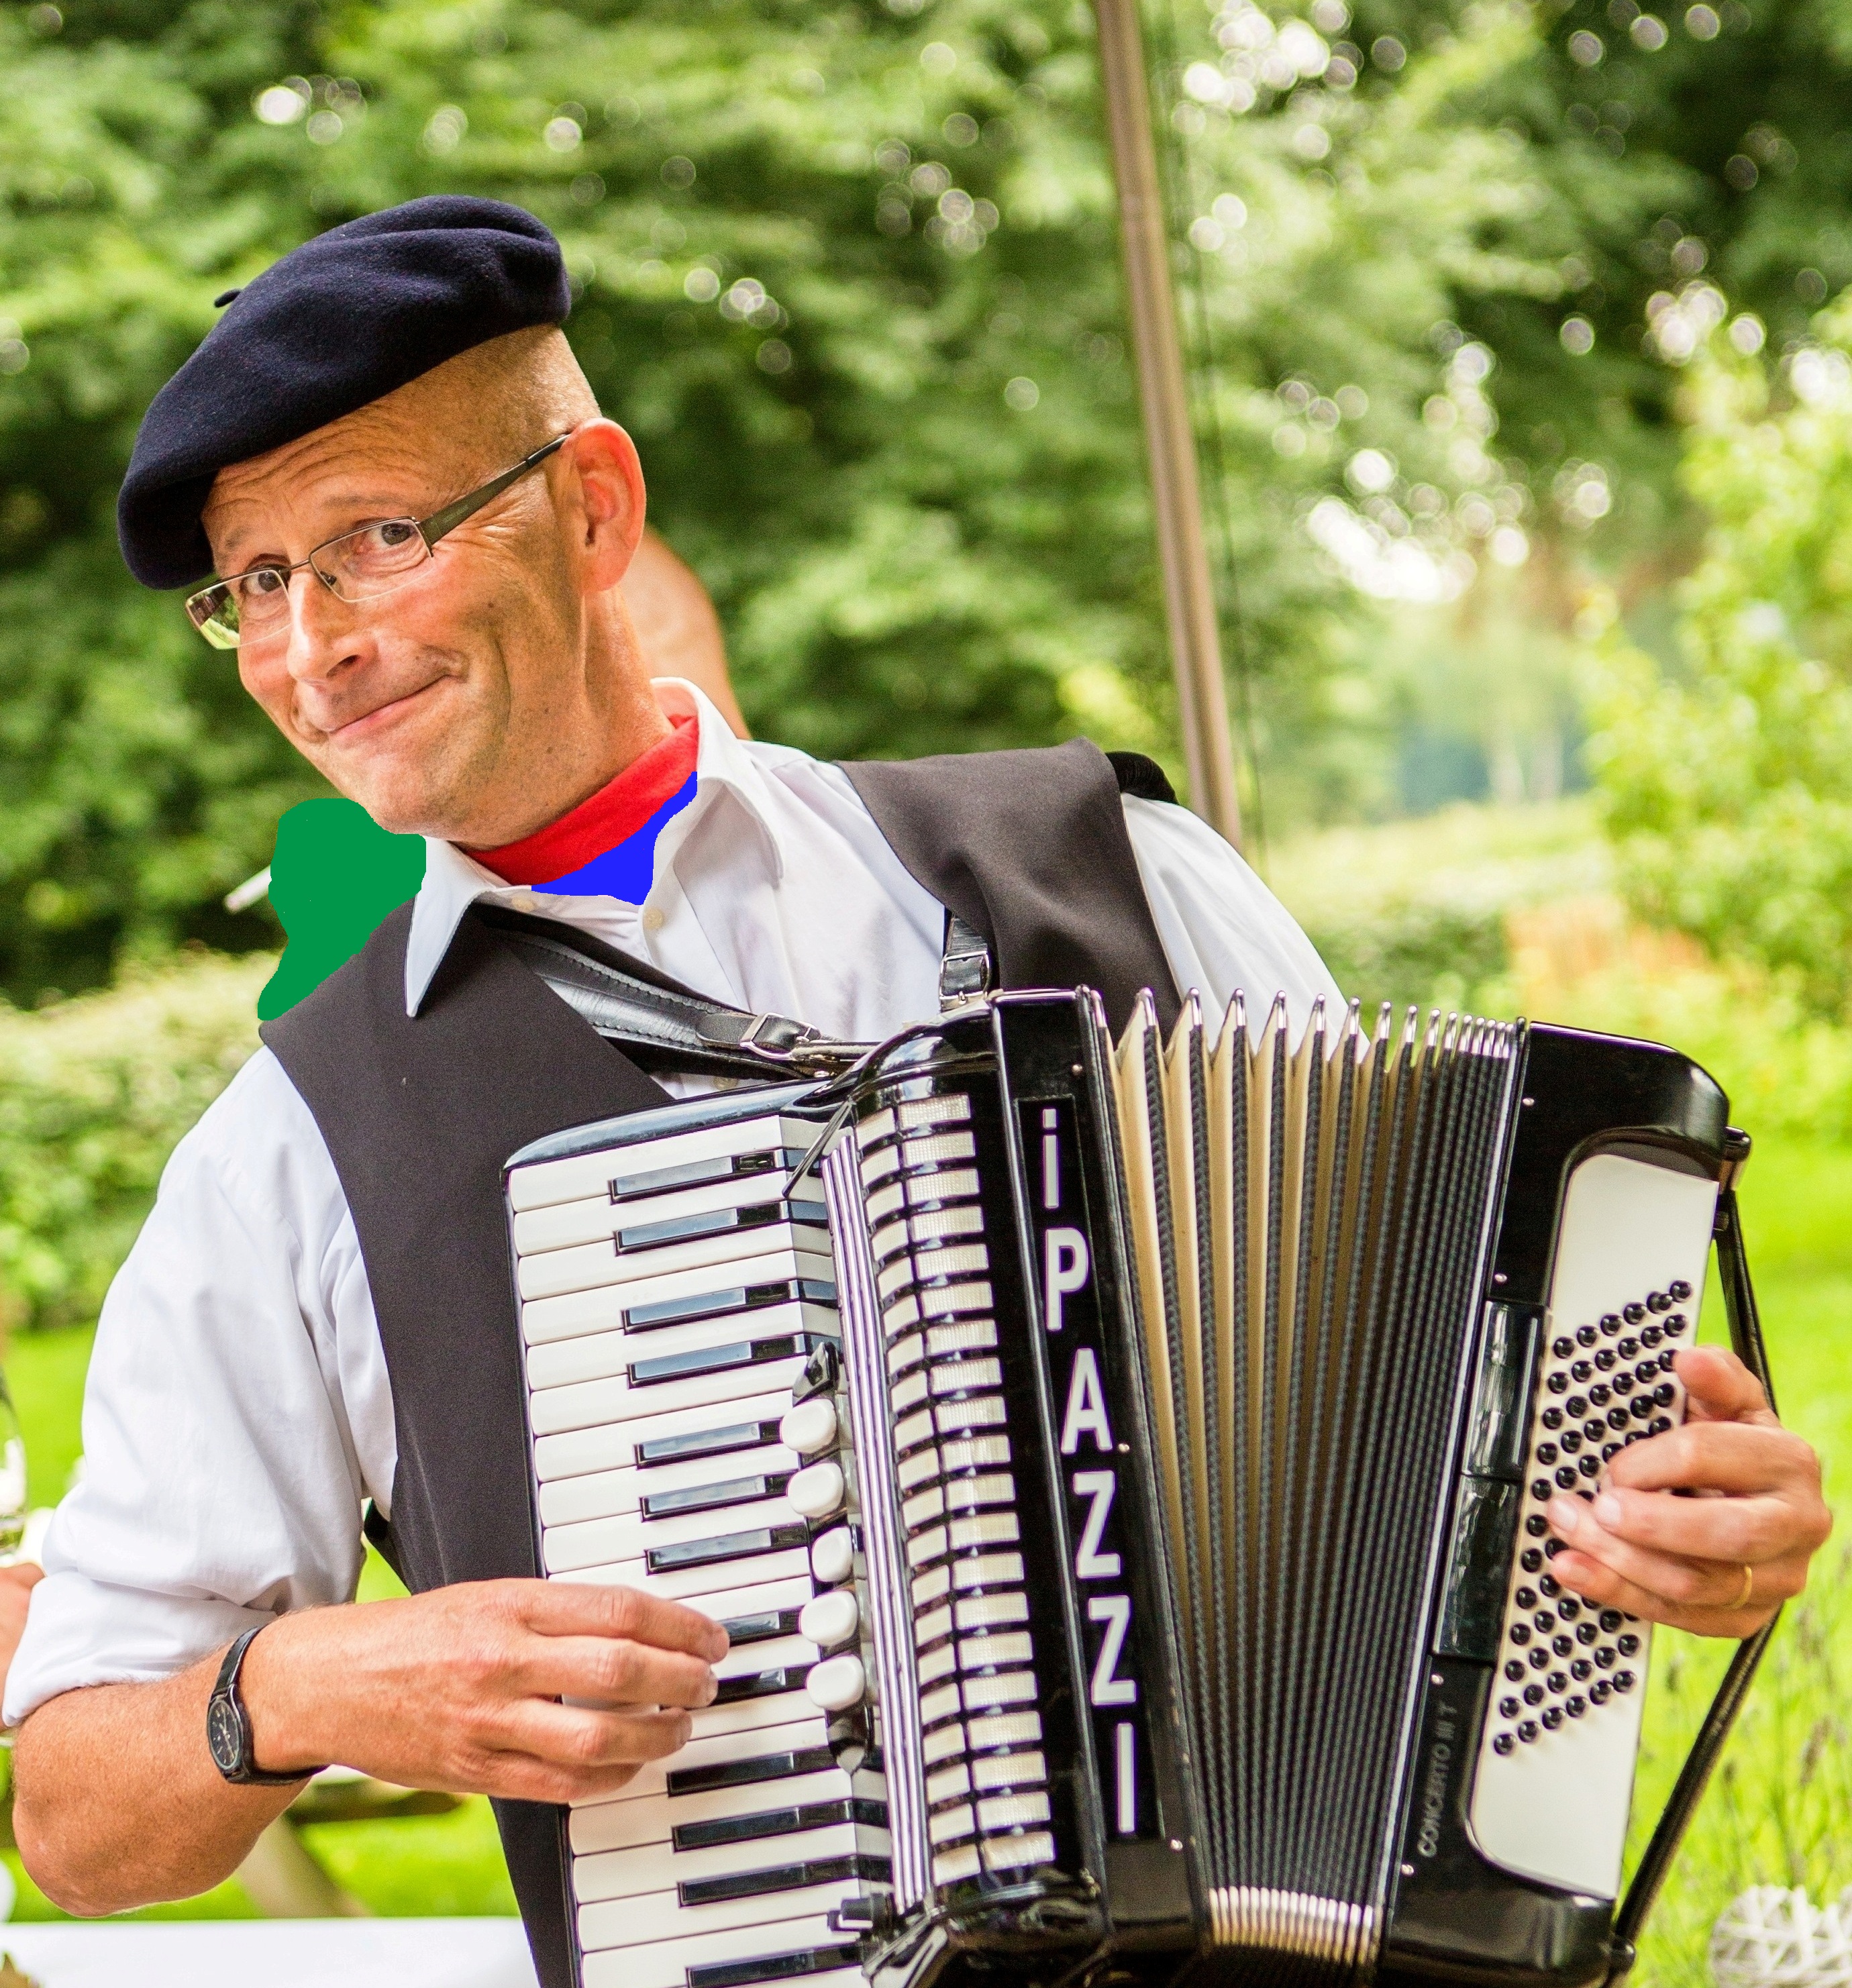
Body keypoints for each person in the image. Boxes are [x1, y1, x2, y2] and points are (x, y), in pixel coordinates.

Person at [3, 199, 1827, 1984]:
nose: (309, 645)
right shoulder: (286, 1156)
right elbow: (74, 1813)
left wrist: (1675, 1524)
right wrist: (294, 1688)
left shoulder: (1110, 864)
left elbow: (1448, 1422)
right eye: (257, 583)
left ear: (596, 507)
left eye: (376, 539)